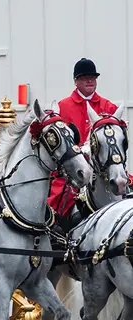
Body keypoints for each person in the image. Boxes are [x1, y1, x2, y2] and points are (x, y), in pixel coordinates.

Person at [48, 58, 118, 220]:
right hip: (73, 171)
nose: (90, 80)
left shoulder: (109, 107)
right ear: (75, 81)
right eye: (85, 77)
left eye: (93, 77)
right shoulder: (63, 106)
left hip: (103, 169)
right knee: (59, 201)